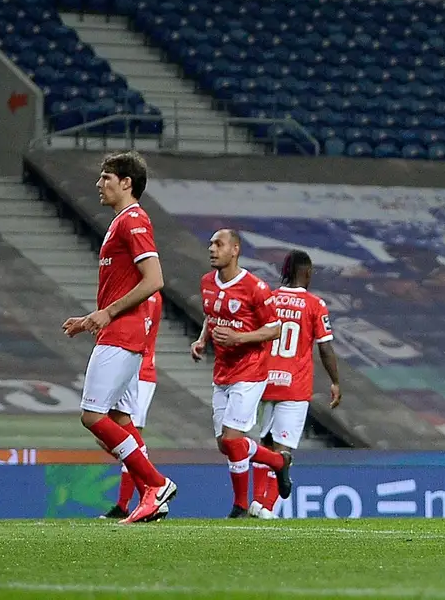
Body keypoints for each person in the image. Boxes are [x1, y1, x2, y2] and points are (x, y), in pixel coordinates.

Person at [64, 151, 176, 525]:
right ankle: (150, 493)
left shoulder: (134, 221)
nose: (100, 183)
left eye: (106, 176)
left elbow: (155, 279)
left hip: (123, 333)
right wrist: (90, 318)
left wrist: (109, 313)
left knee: (92, 416)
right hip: (118, 331)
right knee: (119, 417)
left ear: (126, 182)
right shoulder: (120, 223)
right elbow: (122, 285)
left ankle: (155, 484)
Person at [190, 228, 288, 518]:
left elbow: (275, 328)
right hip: (222, 372)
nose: (211, 249)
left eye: (218, 244)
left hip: (251, 370)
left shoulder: (255, 287)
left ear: (235, 250)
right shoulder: (207, 282)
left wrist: (239, 338)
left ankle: (240, 507)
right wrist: (201, 340)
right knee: (224, 444)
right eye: (210, 244)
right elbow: (212, 316)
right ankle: (279, 462)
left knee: (233, 439)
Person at [252, 250, 339, 515]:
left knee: (264, 443)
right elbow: (325, 348)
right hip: (294, 387)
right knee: (283, 448)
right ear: (308, 272)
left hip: (265, 383)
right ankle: (266, 508)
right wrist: (335, 381)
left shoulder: (270, 299)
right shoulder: (315, 305)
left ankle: (256, 502)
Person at [102, 291, 163, 520]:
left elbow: (140, 329)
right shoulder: (132, 287)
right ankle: (146, 495)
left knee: (129, 434)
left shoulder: (148, 292)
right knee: (110, 434)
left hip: (139, 370)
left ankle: (135, 500)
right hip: (126, 366)